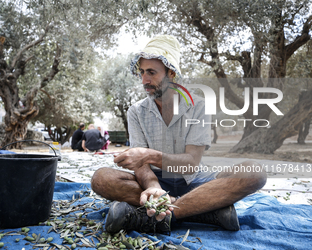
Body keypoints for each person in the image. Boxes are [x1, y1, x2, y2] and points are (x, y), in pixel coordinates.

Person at [91, 35, 267, 234]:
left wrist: (147, 155)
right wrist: (154, 187)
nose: (144, 80)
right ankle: (199, 210)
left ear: (171, 73)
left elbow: (191, 162)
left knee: (254, 173)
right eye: (141, 72)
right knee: (101, 178)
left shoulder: (198, 105)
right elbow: (141, 166)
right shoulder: (136, 112)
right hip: (153, 182)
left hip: (195, 181)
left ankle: (161, 215)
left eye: (151, 72)